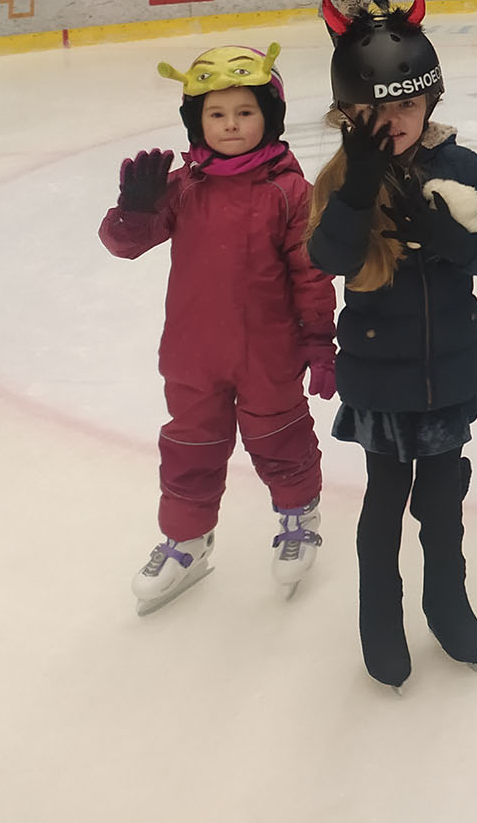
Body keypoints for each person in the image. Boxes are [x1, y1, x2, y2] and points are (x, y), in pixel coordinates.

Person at [307, 0, 477, 689]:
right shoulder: (343, 180)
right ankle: (379, 617)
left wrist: (455, 240)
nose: (391, 121)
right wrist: (359, 192)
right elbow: (329, 258)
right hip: (380, 378)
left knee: (443, 505)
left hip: (449, 372)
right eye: (373, 111)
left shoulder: (460, 168)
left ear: (430, 102)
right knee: (385, 502)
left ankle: (446, 602)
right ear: (347, 115)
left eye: (406, 105)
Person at [101, 44, 335, 616]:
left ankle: (298, 517)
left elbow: (310, 274)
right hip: (193, 352)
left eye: (245, 112)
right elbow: (125, 245)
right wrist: (134, 208)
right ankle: (186, 541)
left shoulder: (289, 191)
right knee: (189, 446)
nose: (231, 124)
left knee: (279, 438)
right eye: (217, 113)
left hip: (267, 352)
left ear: (269, 117)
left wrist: (318, 342)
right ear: (197, 121)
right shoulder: (183, 186)